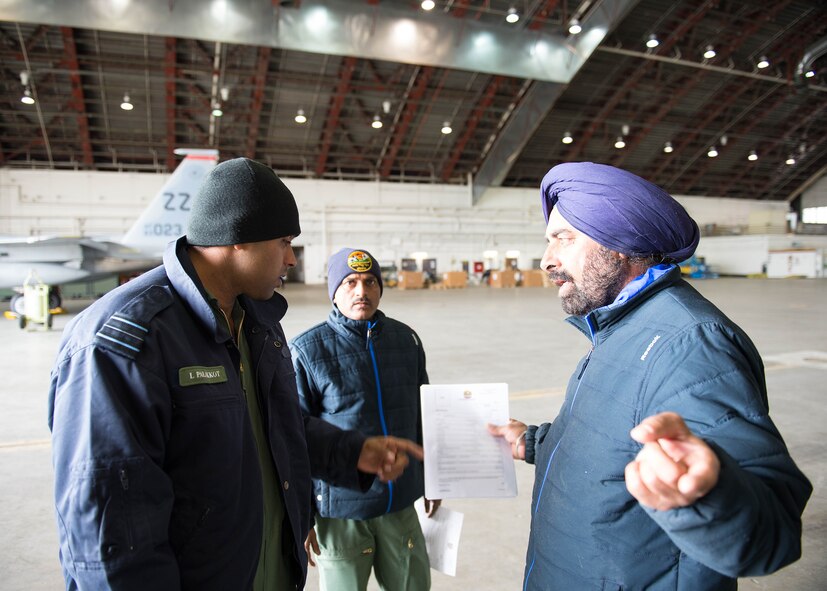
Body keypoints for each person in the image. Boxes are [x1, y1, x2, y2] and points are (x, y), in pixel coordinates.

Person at [48, 158, 422, 590]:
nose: (290, 260)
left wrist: (350, 453)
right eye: (284, 242)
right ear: (238, 238)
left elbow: (275, 426)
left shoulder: (256, 322)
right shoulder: (124, 342)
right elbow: (108, 536)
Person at [488, 162, 812, 590]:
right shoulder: (620, 325)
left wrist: (708, 495)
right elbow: (609, 437)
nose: (548, 260)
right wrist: (531, 442)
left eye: (564, 239)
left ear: (619, 245)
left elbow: (773, 528)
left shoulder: (690, 343)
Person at [290, 247, 439, 591]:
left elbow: (424, 416)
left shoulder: (407, 340)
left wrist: (434, 478)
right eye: (351, 282)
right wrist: (302, 515)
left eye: (370, 281)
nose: (362, 291)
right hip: (341, 511)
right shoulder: (307, 350)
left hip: (400, 501)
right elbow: (295, 439)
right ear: (334, 292)